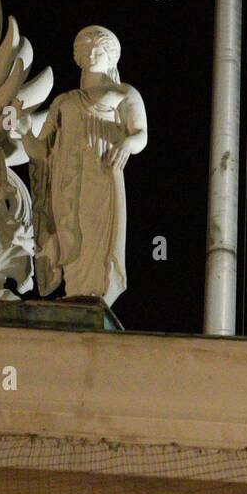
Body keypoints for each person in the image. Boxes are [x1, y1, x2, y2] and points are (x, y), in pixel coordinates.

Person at [23, 27, 147, 306]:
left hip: (102, 172)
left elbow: (141, 134)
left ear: (111, 57)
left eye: (99, 50)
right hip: (65, 178)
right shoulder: (64, 101)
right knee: (70, 233)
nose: (92, 54)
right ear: (78, 57)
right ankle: (75, 291)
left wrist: (126, 144)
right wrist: (23, 130)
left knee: (97, 234)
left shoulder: (124, 93)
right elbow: (40, 150)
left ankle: (97, 292)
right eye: (86, 50)